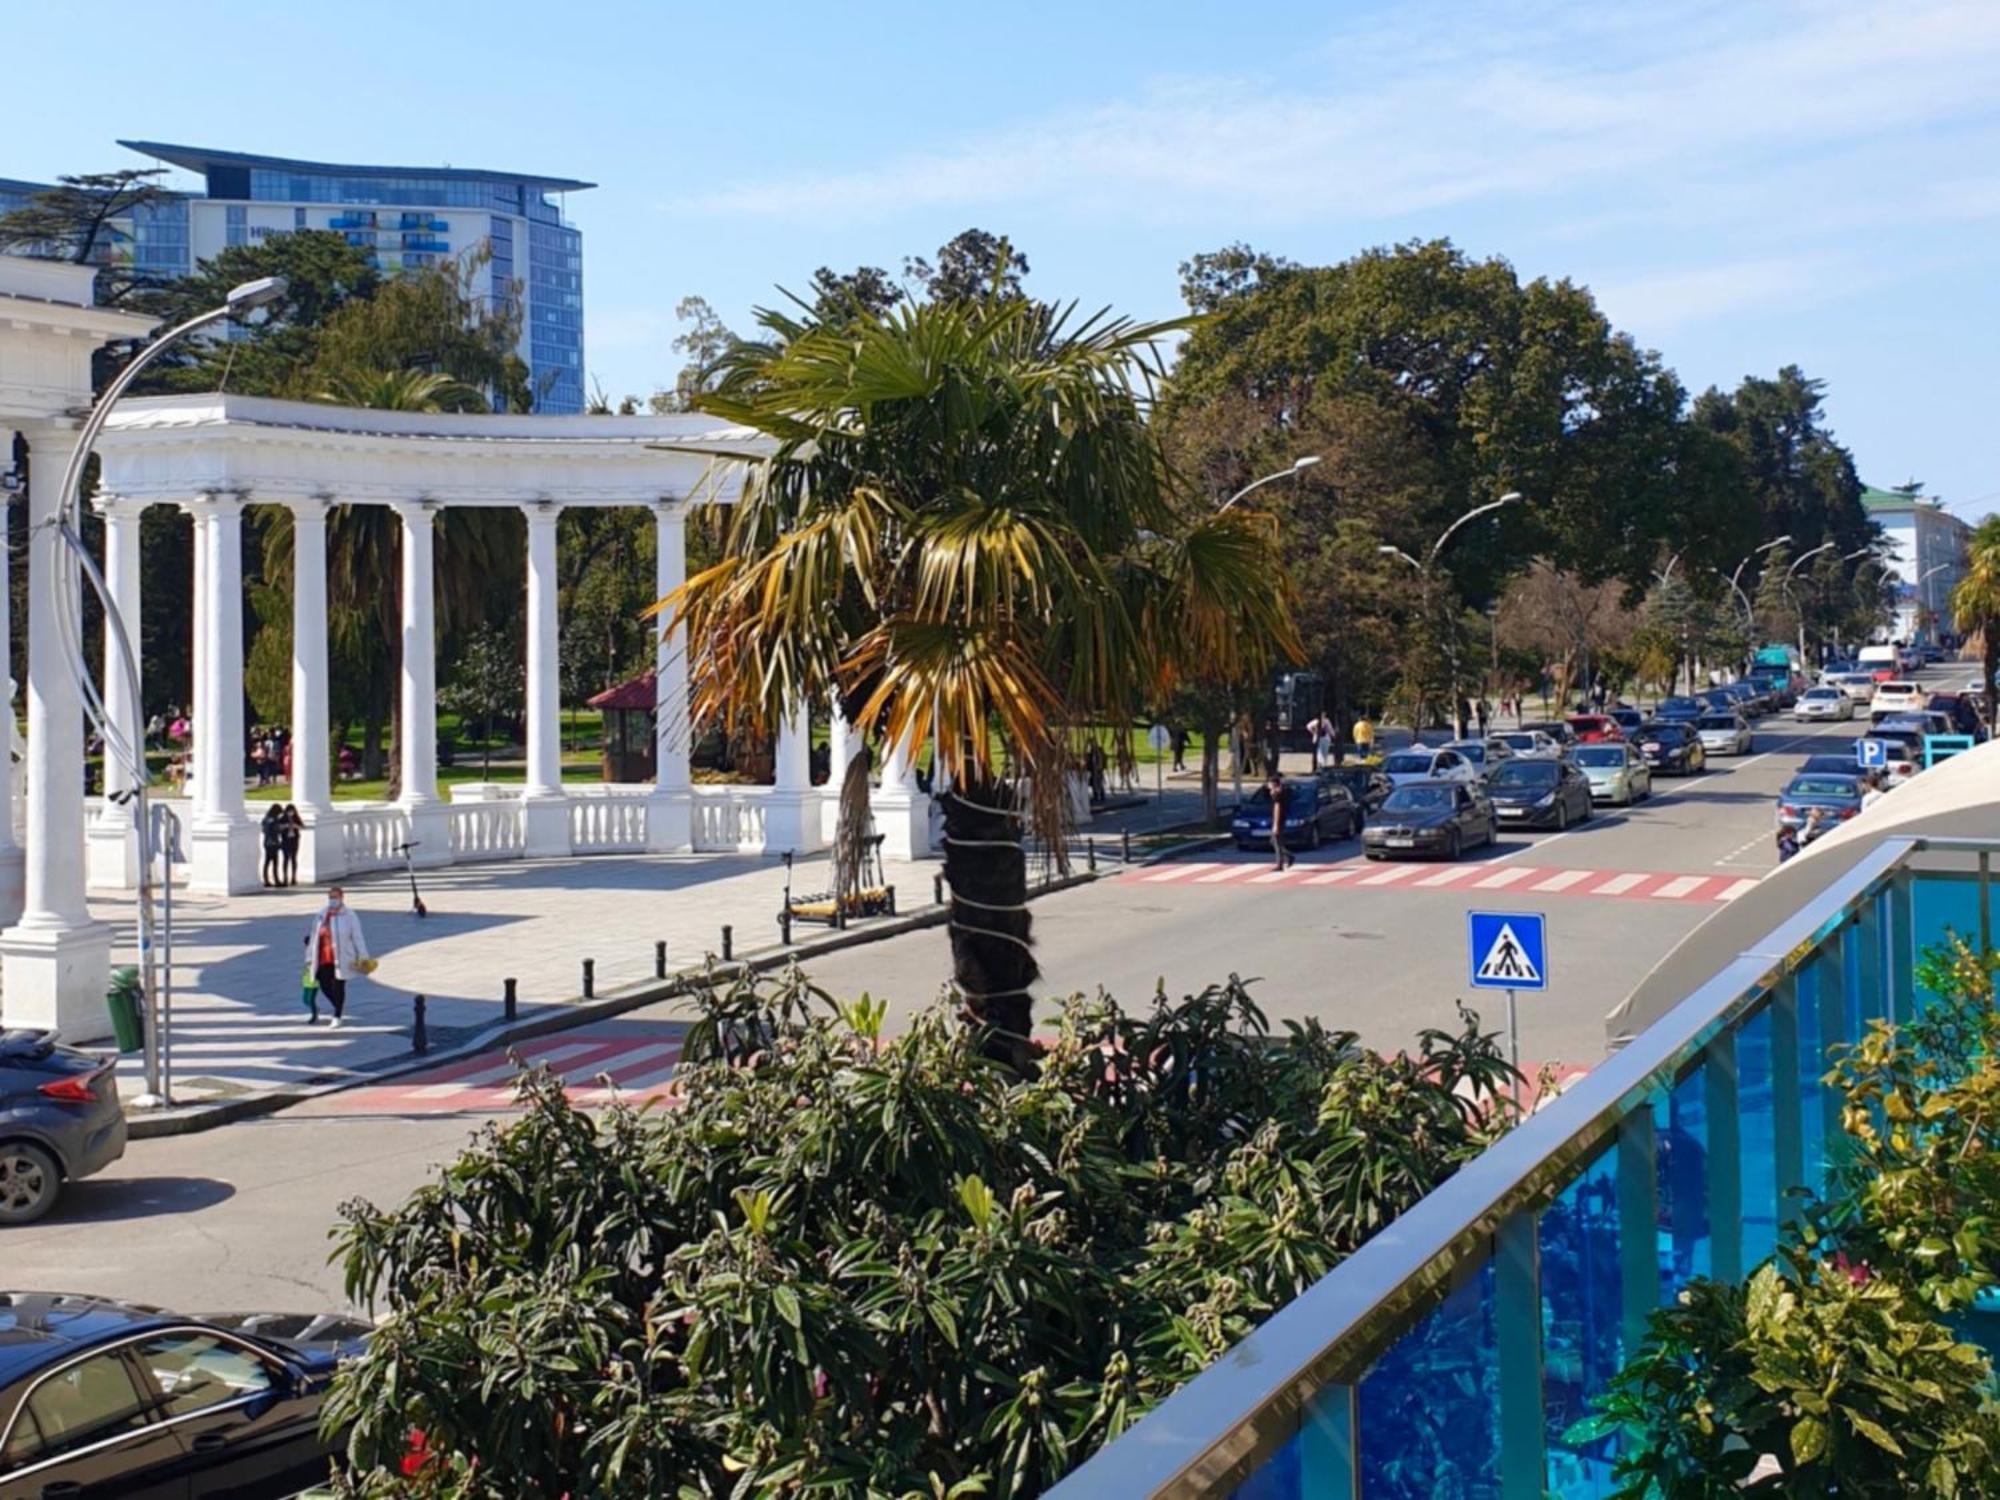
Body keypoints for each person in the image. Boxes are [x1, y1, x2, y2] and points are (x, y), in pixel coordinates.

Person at [304, 886, 371, 1028]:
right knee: (324, 985)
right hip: (323, 956)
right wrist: (309, 956)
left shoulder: (350, 916)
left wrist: (363, 956)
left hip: (342, 957)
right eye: (330, 897)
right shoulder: (322, 914)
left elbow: (357, 937)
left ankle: (337, 1015)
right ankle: (338, 1005)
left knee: (338, 986)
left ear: (341, 897)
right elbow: (314, 935)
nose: (333, 900)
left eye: (335, 897)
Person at [1265, 773, 1294, 871]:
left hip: (1279, 820)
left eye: (1269, 783)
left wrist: (1276, 825)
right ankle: (1289, 856)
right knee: (1273, 841)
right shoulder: (1280, 792)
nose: (1268, 785)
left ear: (1274, 784)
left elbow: (1277, 809)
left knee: (1276, 842)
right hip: (1281, 819)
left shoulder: (1277, 795)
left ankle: (1280, 864)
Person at [259, 805, 284, 888]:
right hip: (273, 842)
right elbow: (275, 830)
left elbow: (263, 829)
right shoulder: (273, 820)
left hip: (267, 842)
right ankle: (276, 880)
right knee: (274, 862)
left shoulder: (266, 818)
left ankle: (266, 880)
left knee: (267, 862)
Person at [279, 804, 304, 886]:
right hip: (285, 840)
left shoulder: (296, 818)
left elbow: (302, 826)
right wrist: (285, 826)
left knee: (293, 858)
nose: (291, 813)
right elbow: (278, 827)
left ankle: (293, 877)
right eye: (289, 811)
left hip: (294, 840)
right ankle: (285, 877)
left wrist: (295, 826)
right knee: (286, 859)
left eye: (292, 811)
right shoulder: (282, 818)